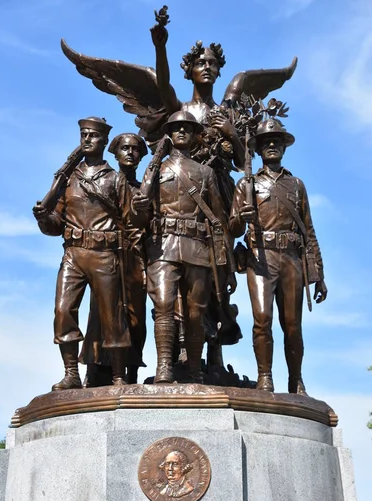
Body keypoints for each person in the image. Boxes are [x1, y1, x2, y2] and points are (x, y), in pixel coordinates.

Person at [229, 118, 327, 395]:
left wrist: (318, 273)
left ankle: (296, 379)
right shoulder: (246, 184)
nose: (272, 146)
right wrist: (241, 216)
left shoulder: (296, 185)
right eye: (266, 142)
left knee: (293, 325)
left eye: (277, 142)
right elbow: (232, 228)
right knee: (262, 319)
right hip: (260, 257)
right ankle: (265, 377)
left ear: (284, 148)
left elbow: (308, 230)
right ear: (258, 149)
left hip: (292, 259)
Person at [32, 117, 131, 390]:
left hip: (104, 253)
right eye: (84, 134)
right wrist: (43, 218)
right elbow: (55, 225)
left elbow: (131, 222)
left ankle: (119, 376)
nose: (87, 139)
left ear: (103, 141)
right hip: (73, 254)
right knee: (63, 311)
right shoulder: (68, 180)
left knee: (113, 316)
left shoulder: (115, 179)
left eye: (93, 135)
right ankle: (71, 373)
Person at [132, 110, 229, 384]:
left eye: (187, 127)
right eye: (176, 128)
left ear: (195, 133)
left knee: (195, 311)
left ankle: (195, 370)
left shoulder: (206, 173)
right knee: (163, 304)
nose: (182, 132)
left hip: (197, 247)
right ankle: (164, 367)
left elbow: (218, 218)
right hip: (162, 246)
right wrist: (137, 208)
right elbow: (141, 217)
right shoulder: (155, 170)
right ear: (169, 134)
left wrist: (221, 258)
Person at [80, 133, 148, 385]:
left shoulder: (145, 189)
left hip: (135, 258)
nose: (130, 153)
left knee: (135, 316)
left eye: (135, 149)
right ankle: (95, 369)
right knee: (99, 314)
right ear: (115, 153)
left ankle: (131, 371)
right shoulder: (105, 182)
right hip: (106, 254)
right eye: (124, 148)